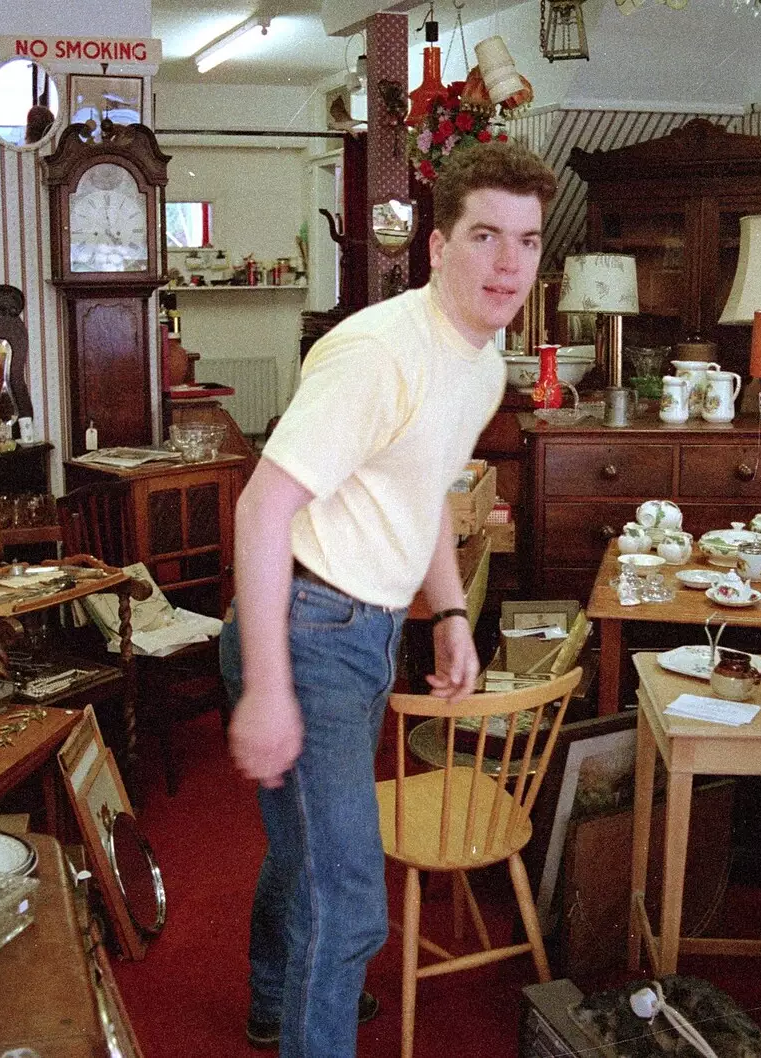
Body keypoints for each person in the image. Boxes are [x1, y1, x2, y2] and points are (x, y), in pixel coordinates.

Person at [219, 140, 558, 1057]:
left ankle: (273, 999)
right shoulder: (378, 353)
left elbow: (428, 497)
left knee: (308, 853)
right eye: (485, 235)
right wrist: (268, 687)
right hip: (302, 622)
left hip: (364, 628)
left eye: (525, 240)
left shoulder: (484, 362)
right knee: (350, 895)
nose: (507, 263)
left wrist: (448, 612)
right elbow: (261, 508)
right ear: (439, 245)